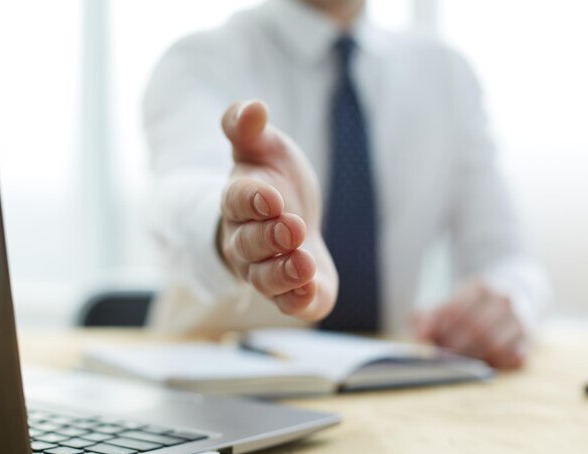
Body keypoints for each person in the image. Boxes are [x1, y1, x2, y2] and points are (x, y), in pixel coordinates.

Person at [143, 0, 548, 368]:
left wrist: (509, 301)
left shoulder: (446, 75)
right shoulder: (200, 59)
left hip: (386, 393)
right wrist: (233, 226)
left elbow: (506, 257)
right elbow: (180, 190)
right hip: (213, 394)